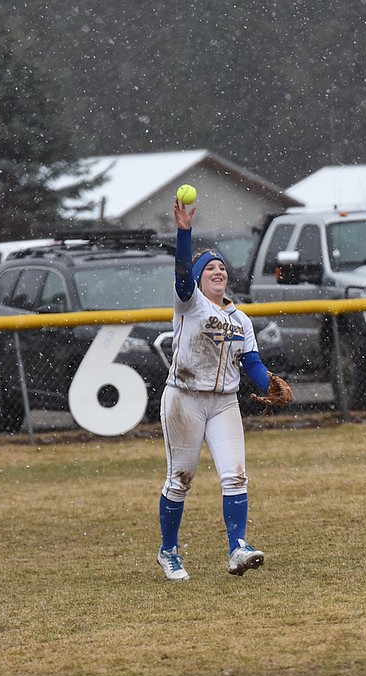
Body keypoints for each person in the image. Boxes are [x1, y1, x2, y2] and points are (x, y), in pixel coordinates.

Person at [156, 197, 277, 581]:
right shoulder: (188, 303)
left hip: (224, 402)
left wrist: (268, 384)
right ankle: (169, 551)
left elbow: (251, 361)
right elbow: (180, 273)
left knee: (235, 476)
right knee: (181, 479)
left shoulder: (240, 318)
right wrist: (184, 231)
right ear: (196, 277)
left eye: (222, 267)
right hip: (184, 398)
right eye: (209, 267)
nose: (218, 271)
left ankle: (238, 548)